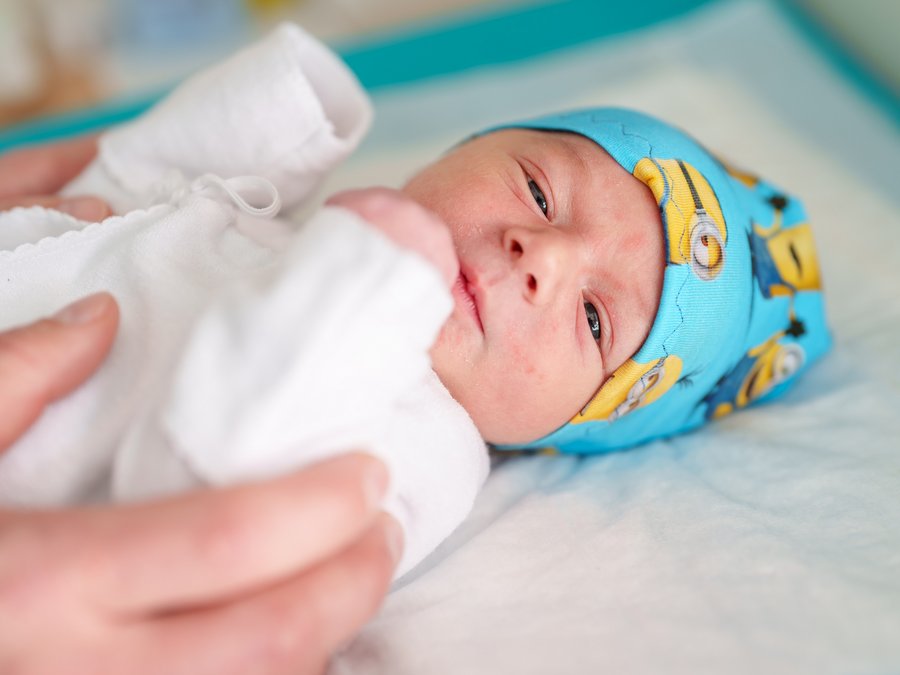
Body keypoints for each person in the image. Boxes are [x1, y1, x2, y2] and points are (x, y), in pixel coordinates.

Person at [1, 20, 831, 599]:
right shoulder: (300, 237)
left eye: (593, 320)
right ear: (465, 147)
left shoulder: (424, 446)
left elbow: (202, 478)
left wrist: (367, 271)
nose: (542, 256)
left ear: (571, 423)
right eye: (539, 190)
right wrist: (291, 114)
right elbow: (126, 187)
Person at [0, 129, 401, 675]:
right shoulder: (275, 227)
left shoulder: (412, 443)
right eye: (521, 180)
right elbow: (233, 133)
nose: (522, 247)